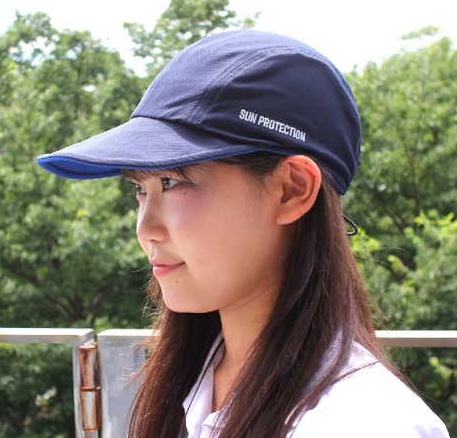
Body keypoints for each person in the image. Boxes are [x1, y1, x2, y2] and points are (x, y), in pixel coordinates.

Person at [36, 30, 449, 437]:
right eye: (139, 190)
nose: (145, 230)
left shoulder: (365, 423)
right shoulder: (199, 378)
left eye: (172, 182)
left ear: (291, 189)